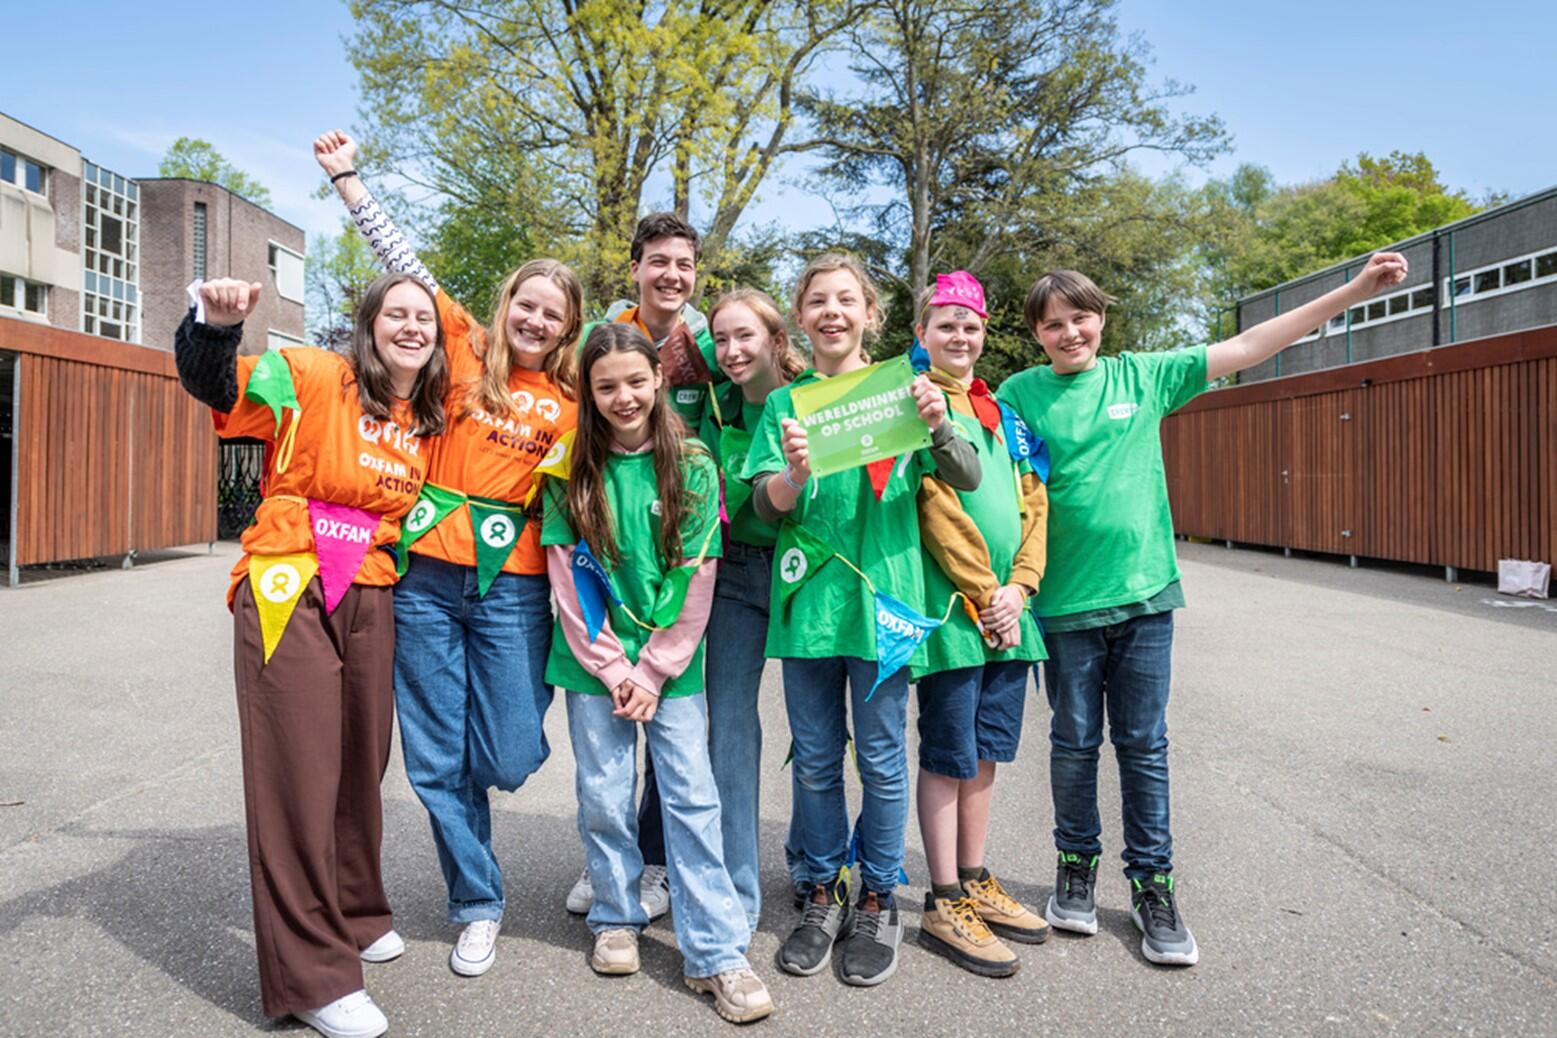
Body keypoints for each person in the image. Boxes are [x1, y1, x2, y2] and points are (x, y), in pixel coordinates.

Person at [999, 251, 1409, 967]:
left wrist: (1353, 290)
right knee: (1070, 744)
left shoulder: (1142, 376)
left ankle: (1152, 886)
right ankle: (1074, 870)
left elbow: (1252, 345)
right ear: (1036, 334)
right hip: (1059, 606)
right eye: (1052, 324)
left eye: (1079, 319)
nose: (1068, 334)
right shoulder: (1018, 394)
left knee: (1143, 744)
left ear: (1101, 319)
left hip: (1145, 596)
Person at [315, 130, 581, 977]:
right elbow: (399, 258)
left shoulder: (572, 401)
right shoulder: (460, 345)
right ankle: (477, 901)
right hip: (423, 580)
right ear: (504, 306)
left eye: (553, 312)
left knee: (505, 751)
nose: (535, 319)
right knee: (434, 759)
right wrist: (349, 181)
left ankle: (481, 788)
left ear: (568, 326)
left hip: (514, 590)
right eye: (526, 304)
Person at [174, 273, 448, 1038]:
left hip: (372, 585)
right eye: (395, 313)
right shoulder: (314, 375)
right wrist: (214, 327)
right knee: (297, 773)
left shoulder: (422, 413)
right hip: (288, 582)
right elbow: (215, 386)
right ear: (367, 325)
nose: (411, 326)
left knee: (360, 764)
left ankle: (356, 911)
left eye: (423, 317)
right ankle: (311, 976)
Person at [743, 253, 982, 987]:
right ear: (801, 317)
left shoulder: (906, 391)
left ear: (870, 315)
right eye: (817, 301)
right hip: (812, 608)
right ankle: (822, 891)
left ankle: (877, 895)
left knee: (879, 761)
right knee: (815, 761)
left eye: (847, 300)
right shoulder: (787, 406)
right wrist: (791, 475)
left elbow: (967, 475)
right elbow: (761, 507)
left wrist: (939, 426)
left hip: (887, 608)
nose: (832, 312)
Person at [541, 323, 773, 1024]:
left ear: (657, 381)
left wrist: (654, 668)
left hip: (673, 669)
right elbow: (568, 580)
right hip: (594, 668)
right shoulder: (565, 469)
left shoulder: (695, 464)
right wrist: (614, 667)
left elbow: (695, 574)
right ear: (588, 390)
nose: (623, 396)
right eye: (605, 385)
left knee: (691, 801)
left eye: (635, 381)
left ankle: (716, 953)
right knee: (605, 796)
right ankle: (615, 915)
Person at [910, 272, 1051, 977]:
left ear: (983, 331)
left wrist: (1021, 589)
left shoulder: (1004, 414)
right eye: (945, 325)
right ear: (922, 334)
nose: (959, 336)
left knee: (987, 749)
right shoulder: (919, 406)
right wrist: (985, 591)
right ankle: (941, 899)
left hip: (1009, 616)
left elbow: (1034, 503)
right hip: (955, 617)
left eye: (969, 325)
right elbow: (935, 505)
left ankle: (973, 878)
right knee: (947, 753)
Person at [699, 288, 806, 935]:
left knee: (817, 731)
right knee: (730, 730)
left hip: (807, 572)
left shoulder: (811, 394)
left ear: (775, 337)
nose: (733, 350)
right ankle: (736, 891)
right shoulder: (712, 403)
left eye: (746, 336)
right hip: (735, 575)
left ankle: (815, 866)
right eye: (722, 339)